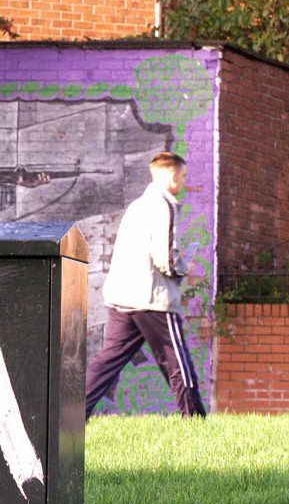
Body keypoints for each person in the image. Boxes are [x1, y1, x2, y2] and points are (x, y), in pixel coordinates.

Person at [85, 151, 206, 419]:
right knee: (177, 362)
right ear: (173, 175)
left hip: (122, 296)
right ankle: (195, 420)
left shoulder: (137, 205)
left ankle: (72, 415)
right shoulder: (164, 205)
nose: (183, 183)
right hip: (153, 298)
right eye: (183, 176)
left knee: (107, 361)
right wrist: (185, 268)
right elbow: (165, 257)